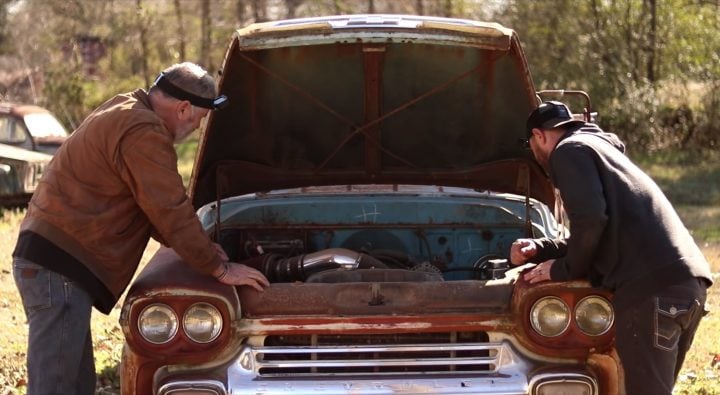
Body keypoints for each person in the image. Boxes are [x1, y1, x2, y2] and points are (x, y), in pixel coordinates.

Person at [11, 62, 270, 395]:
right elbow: (168, 207)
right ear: (184, 108)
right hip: (58, 267)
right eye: (200, 120)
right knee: (56, 385)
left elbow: (149, 208)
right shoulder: (143, 131)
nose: (195, 129)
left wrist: (201, 247)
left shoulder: (125, 107)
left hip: (55, 262)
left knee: (75, 383)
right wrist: (218, 268)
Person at [509, 100, 713, 394]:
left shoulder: (568, 151)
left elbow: (591, 219)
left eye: (531, 145)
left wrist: (563, 270)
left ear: (539, 136)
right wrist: (543, 249)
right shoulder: (600, 150)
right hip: (687, 283)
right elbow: (599, 230)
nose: (535, 153)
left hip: (650, 292)